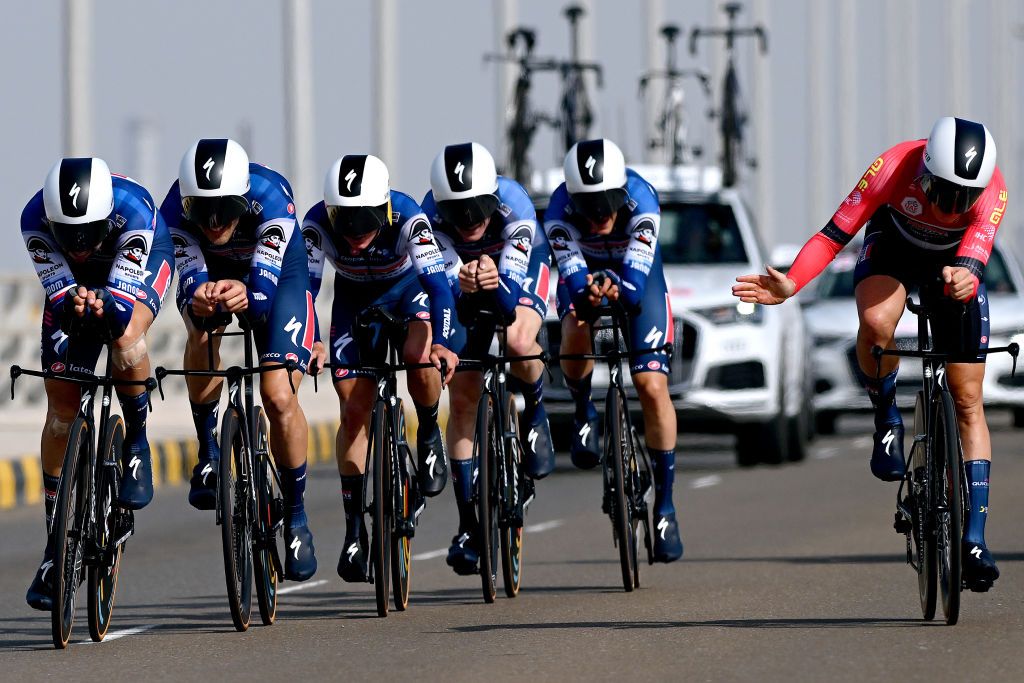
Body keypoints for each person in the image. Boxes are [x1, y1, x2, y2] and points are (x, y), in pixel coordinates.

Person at [732, 117, 1007, 591]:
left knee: (967, 400)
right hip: (893, 248)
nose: (950, 206)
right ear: (924, 171)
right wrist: (793, 283)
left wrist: (966, 274)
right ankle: (887, 417)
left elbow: (973, 258)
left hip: (952, 266)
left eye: (963, 198)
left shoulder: (992, 189)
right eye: (943, 192)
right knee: (878, 323)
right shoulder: (892, 165)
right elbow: (833, 234)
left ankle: (975, 540)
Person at [160, 138, 317, 581]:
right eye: (201, 211)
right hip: (215, 271)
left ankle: (297, 517)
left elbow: (263, 299)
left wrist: (248, 293)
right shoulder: (173, 211)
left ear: (244, 198)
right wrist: (200, 294)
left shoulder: (271, 199)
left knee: (277, 395)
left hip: (278, 276)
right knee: (200, 327)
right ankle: (208, 450)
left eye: (226, 209)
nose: (213, 222)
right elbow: (188, 278)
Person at [23, 158, 174, 609]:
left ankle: (137, 444)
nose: (80, 244)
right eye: (68, 235)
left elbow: (121, 312)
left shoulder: (137, 212)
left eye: (88, 231)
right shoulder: (33, 220)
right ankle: (56, 545)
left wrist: (104, 304)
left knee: (125, 338)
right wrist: (76, 301)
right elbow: (63, 296)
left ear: (105, 216)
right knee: (60, 415)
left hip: (141, 261)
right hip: (76, 286)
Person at [301, 154, 459, 583]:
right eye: (345, 222)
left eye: (366, 222)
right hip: (354, 299)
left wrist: (442, 343)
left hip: (408, 292)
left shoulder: (410, 218)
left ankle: (428, 429)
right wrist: (313, 340)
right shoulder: (316, 225)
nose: (354, 236)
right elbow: (307, 289)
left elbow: (438, 286)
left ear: (385, 209)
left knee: (418, 356)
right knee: (353, 411)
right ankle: (355, 529)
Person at [544, 138, 683, 563]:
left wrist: (617, 288)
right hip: (583, 273)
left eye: (608, 203)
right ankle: (584, 406)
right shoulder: (557, 212)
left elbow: (636, 289)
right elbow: (570, 281)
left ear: (622, 194)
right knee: (575, 324)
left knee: (650, 384)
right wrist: (588, 293)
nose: (600, 214)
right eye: (589, 204)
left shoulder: (644, 199)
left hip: (637, 278)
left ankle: (665, 506)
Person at [419, 142, 553, 575]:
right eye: (459, 212)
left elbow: (510, 300)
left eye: (478, 209)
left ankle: (535, 412)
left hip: (521, 271)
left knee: (515, 339)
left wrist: (491, 281)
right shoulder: (430, 216)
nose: (470, 220)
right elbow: (444, 287)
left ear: (493, 200)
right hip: (464, 277)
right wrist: (462, 280)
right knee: (462, 399)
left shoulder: (515, 205)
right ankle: (469, 525)